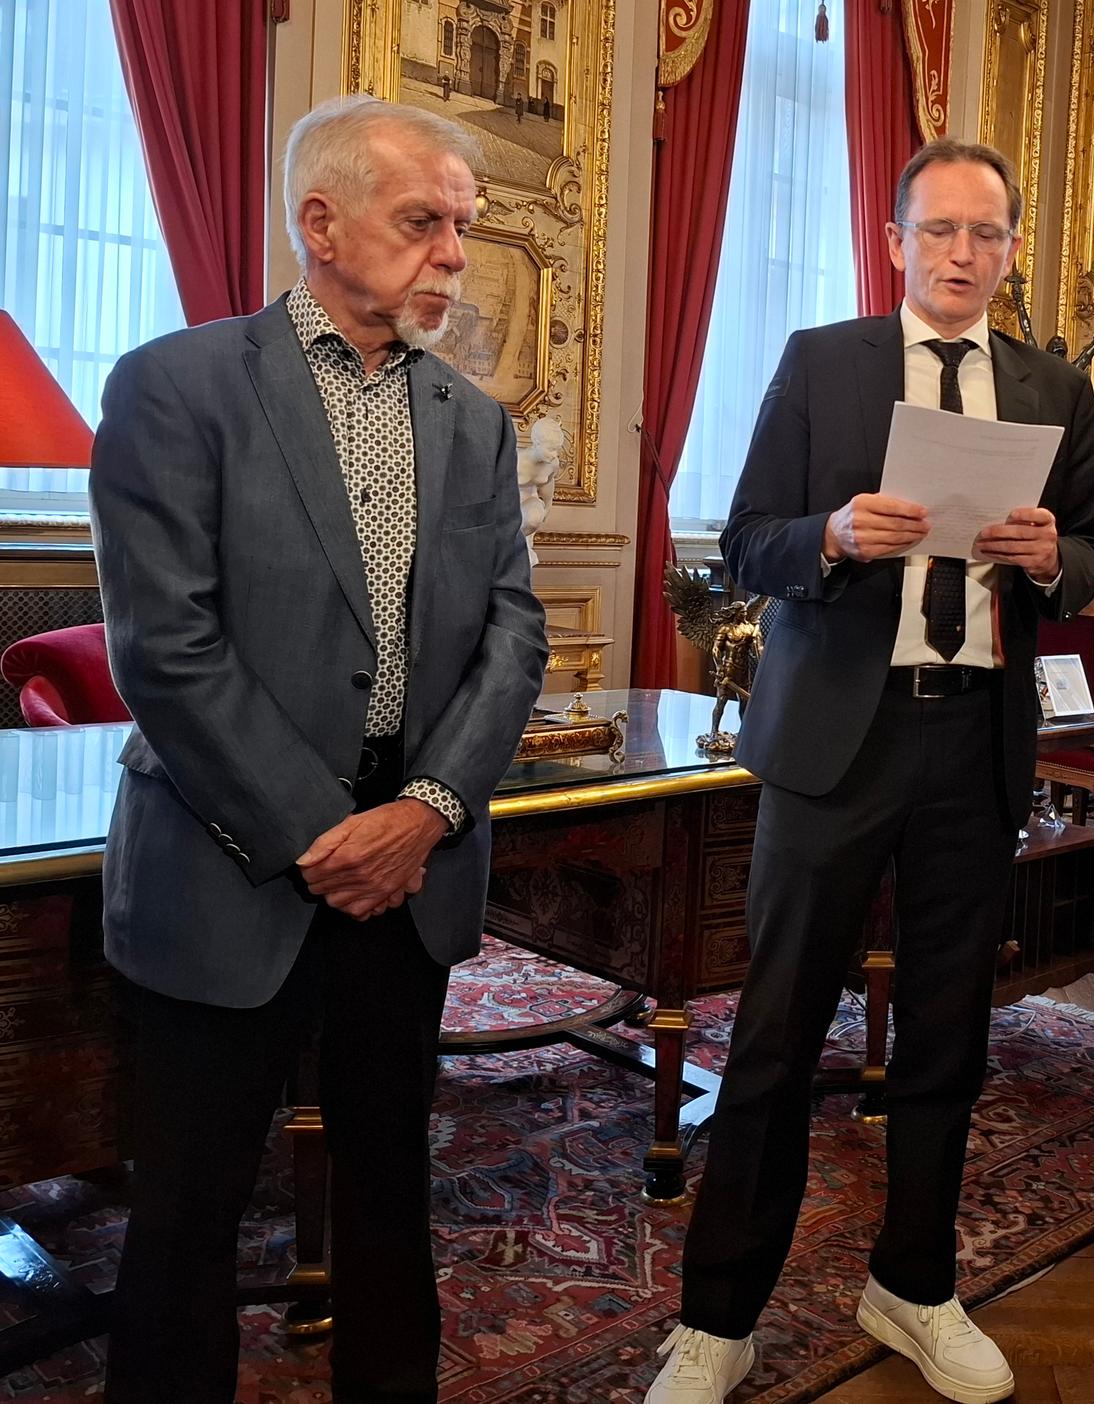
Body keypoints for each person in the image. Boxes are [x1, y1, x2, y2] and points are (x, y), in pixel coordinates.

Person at [88, 94, 548, 1402]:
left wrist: (426, 813)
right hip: (224, 869)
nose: (454, 255)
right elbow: (167, 652)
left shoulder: (476, 421)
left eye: (460, 227)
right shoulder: (175, 388)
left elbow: (515, 637)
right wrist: (323, 835)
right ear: (319, 224)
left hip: (408, 882)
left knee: (394, 1194)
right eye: (424, 224)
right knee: (186, 1215)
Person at [647, 140, 1094, 1404]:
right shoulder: (818, 362)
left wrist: (1046, 553)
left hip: (976, 740)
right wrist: (840, 533)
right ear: (897, 241)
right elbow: (747, 543)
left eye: (989, 234)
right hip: (836, 742)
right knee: (778, 1032)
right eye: (941, 231)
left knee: (953, 1030)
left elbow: (1092, 569)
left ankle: (913, 1286)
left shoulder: (1053, 386)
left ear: (1013, 249)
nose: (965, 254)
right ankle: (719, 1317)